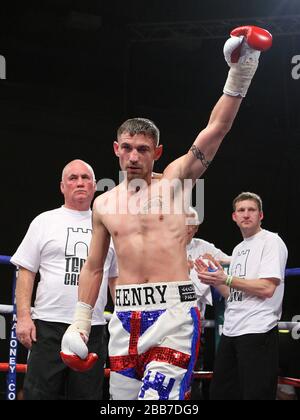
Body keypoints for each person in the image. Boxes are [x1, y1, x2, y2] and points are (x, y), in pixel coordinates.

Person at [61, 27, 273, 400]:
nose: (133, 156)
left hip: (172, 313)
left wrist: (242, 69)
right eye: (127, 147)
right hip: (123, 320)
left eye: (143, 149)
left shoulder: (175, 181)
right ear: (115, 149)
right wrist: (80, 321)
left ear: (157, 153)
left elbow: (217, 128)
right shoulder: (103, 204)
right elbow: (94, 267)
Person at [11, 160, 118, 400]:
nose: (79, 182)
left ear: (94, 185)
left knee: (87, 396)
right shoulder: (44, 221)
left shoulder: (110, 226)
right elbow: (26, 271)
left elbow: (115, 279)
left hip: (92, 327)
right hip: (47, 325)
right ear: (62, 186)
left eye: (85, 177)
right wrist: (24, 316)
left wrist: (123, 320)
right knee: (39, 394)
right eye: (73, 178)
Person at [195, 192, 288, 400]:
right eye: (241, 210)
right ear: (234, 217)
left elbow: (266, 288)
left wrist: (226, 278)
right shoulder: (238, 249)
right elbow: (233, 294)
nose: (246, 214)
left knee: (255, 395)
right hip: (231, 332)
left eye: (251, 210)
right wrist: (214, 278)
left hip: (258, 330)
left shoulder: (271, 241)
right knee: (221, 394)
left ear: (261, 215)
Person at [186, 207, 231, 317]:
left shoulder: (202, 246)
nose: (188, 229)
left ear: (196, 228)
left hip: (195, 314)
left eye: (192, 225)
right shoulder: (164, 247)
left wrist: (215, 261)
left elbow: (232, 260)